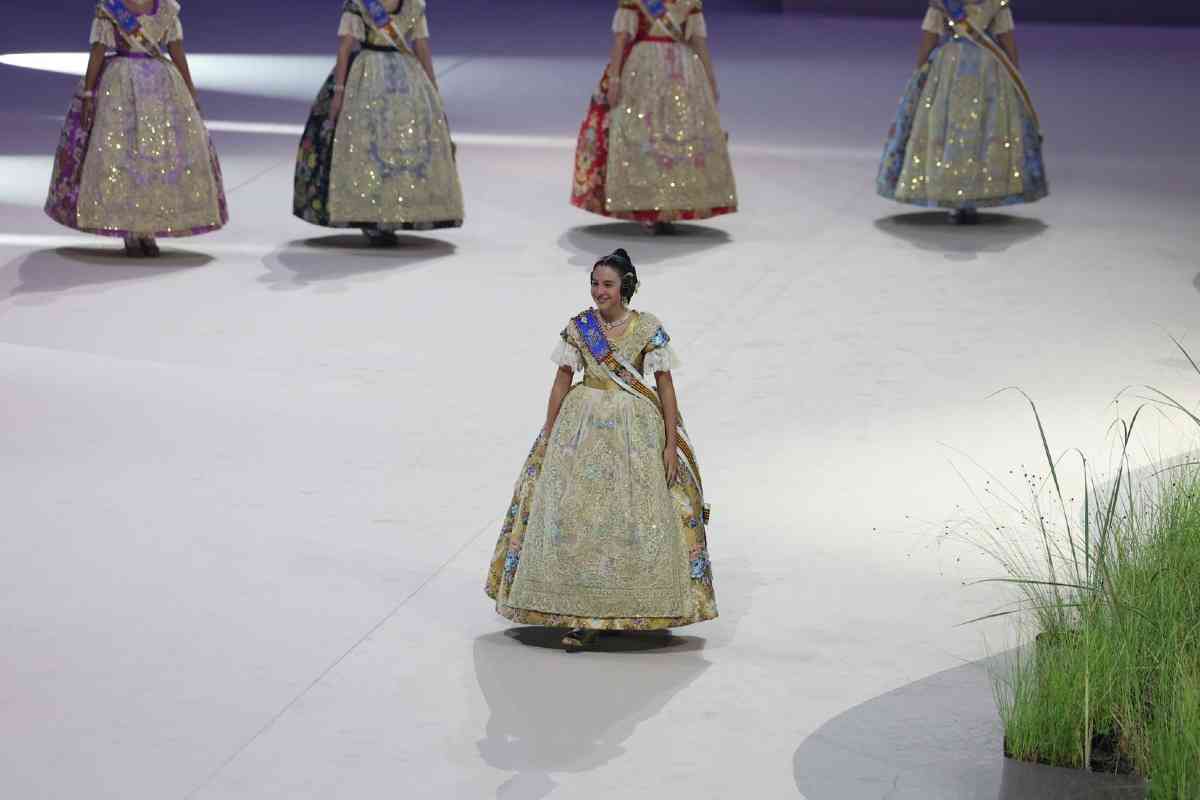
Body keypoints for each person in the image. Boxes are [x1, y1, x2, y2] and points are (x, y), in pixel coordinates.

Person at [485, 249, 717, 650]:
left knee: (635, 514)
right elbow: (561, 381)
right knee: (577, 514)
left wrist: (669, 442)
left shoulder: (647, 328)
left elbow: (665, 387)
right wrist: (550, 432)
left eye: (607, 284)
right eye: (594, 283)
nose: (599, 291)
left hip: (635, 430)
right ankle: (580, 614)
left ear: (625, 286)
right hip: (581, 426)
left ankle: (628, 606)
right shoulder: (580, 327)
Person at [45, 0, 228, 256]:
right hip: (120, 87)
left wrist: (189, 89)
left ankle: (148, 229)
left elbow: (176, 50)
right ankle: (131, 231)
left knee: (155, 158)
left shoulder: (166, 8)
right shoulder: (111, 8)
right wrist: (88, 93)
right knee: (124, 156)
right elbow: (98, 51)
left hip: (160, 89)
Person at [293, 0, 463, 244]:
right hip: (370, 77)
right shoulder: (363, 4)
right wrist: (339, 92)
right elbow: (345, 47)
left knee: (399, 145)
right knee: (368, 144)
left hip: (401, 77)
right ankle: (374, 215)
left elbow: (421, 46)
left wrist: (433, 90)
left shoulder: (413, 4)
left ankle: (396, 210)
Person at [570, 1, 737, 234]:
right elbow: (621, 37)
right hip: (642, 70)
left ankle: (669, 205)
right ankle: (645, 207)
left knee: (677, 140)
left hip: (680, 72)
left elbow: (698, 41)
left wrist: (710, 79)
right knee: (642, 136)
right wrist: (615, 77)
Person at [876, 0, 1048, 223]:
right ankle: (973, 196)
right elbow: (1008, 42)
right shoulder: (992, 3)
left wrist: (920, 73)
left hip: (951, 68)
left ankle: (955, 197)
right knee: (982, 131)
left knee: (949, 129)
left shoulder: (946, 3)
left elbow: (929, 39)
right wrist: (1014, 75)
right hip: (988, 69)